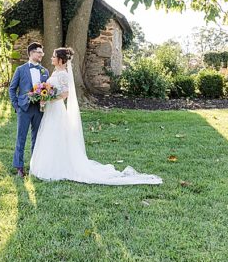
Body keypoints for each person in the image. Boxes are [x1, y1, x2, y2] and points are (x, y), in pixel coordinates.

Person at [29, 47, 162, 186]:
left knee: (56, 134)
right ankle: (48, 163)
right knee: (50, 135)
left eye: (53, 56)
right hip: (51, 109)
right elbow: (52, 90)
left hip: (57, 109)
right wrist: (43, 96)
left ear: (61, 60)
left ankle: (57, 167)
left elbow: (65, 94)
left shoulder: (63, 75)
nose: (51, 58)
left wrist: (49, 99)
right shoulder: (56, 72)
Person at [8, 42, 48, 178]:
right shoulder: (20, 70)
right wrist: (16, 106)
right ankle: (19, 167)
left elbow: (47, 90)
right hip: (24, 108)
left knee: (37, 137)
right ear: (31, 53)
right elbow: (12, 89)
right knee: (21, 137)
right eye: (39, 52)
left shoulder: (45, 71)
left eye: (42, 52)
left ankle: (35, 165)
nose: (42, 54)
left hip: (39, 109)